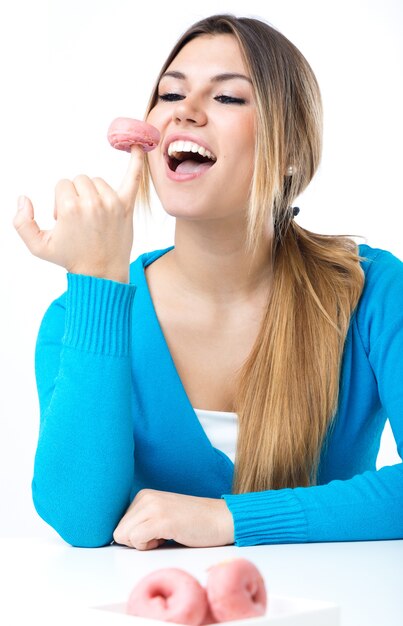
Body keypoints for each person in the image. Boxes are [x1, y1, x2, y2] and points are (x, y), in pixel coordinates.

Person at [14, 13, 403, 550]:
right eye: (170, 94)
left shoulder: (373, 291)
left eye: (228, 99)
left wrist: (228, 520)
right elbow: (79, 520)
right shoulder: (80, 317)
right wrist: (97, 281)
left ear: (289, 149)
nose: (185, 113)